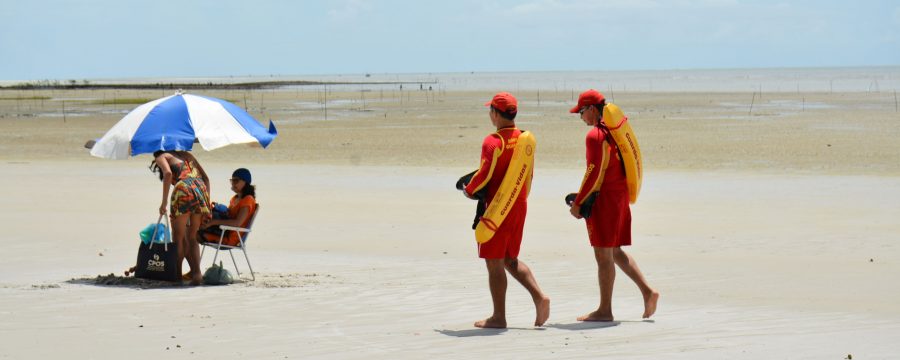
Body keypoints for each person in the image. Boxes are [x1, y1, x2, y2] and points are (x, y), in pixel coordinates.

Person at [568, 89, 659, 321]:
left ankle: (605, 311)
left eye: (581, 112)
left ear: (591, 109)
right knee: (615, 251)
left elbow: (593, 172)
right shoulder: (612, 133)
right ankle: (648, 292)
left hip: (605, 201)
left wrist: (578, 203)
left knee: (603, 256)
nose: (581, 118)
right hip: (619, 197)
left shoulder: (595, 136)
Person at [461, 92, 550, 328]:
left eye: (490, 110)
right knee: (511, 259)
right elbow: (529, 174)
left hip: (497, 208)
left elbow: (484, 174)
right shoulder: (524, 139)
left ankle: (499, 317)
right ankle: (540, 297)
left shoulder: (493, 141)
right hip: (519, 204)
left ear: (495, 114)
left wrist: (468, 190)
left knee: (494, 261)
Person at [150, 150, 211, 285]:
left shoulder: (161, 156)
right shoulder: (187, 155)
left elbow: (168, 173)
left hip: (183, 189)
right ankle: (197, 274)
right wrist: (207, 204)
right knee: (192, 237)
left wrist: (164, 202)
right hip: (200, 188)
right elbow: (206, 179)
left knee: (178, 238)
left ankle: (177, 276)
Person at [200, 168, 257, 246]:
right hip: (224, 230)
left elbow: (237, 223)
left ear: (245, 182)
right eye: (232, 181)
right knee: (196, 223)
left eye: (236, 181)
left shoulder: (248, 200)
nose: (233, 183)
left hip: (230, 237)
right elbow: (229, 216)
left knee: (193, 233)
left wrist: (213, 222)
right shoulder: (235, 198)